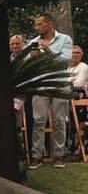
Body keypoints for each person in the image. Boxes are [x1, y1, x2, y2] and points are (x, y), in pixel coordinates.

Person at [29, 13, 73, 169]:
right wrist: (31, 58)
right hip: (41, 84)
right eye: (36, 24)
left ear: (49, 23)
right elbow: (29, 64)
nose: (37, 27)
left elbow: (66, 61)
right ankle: (36, 156)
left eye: (39, 24)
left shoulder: (65, 39)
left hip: (60, 84)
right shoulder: (34, 42)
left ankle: (59, 156)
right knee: (38, 120)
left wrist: (48, 51)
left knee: (59, 121)